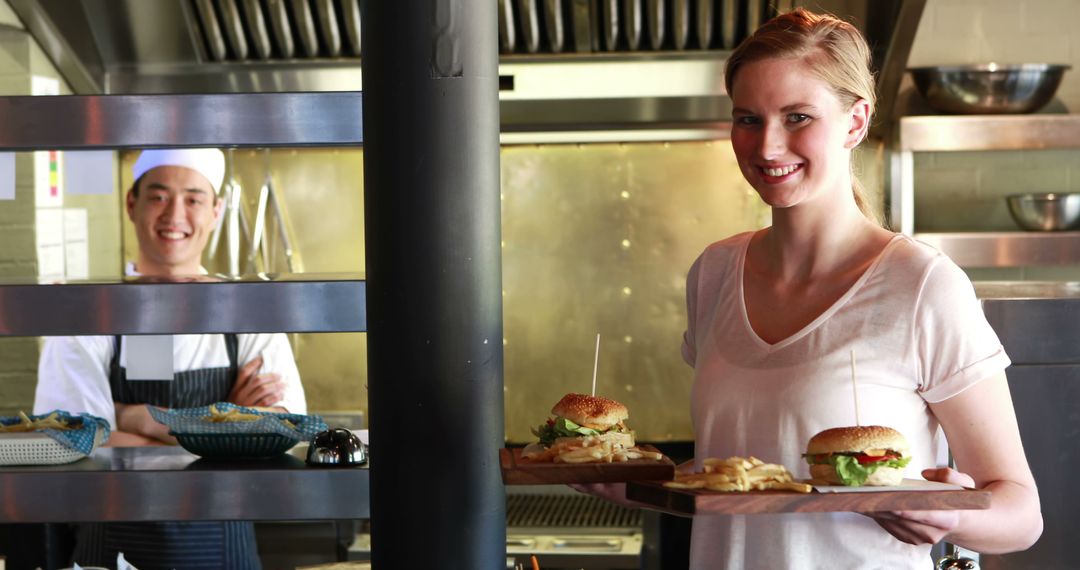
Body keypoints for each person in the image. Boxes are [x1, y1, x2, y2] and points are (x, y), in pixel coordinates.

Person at [580, 9, 1042, 569]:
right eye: (747, 119)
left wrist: (951, 518)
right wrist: (631, 488)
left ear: (855, 122)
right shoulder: (715, 273)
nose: (768, 147)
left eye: (797, 117)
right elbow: (737, 493)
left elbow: (1021, 513)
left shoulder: (922, 285)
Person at [34, 148, 306, 569]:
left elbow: (283, 437)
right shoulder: (88, 311)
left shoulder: (249, 310)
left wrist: (131, 417)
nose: (175, 214)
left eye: (194, 198)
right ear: (131, 202)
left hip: (224, 553)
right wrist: (227, 429)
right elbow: (69, 445)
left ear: (215, 211)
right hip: (109, 552)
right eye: (159, 196)